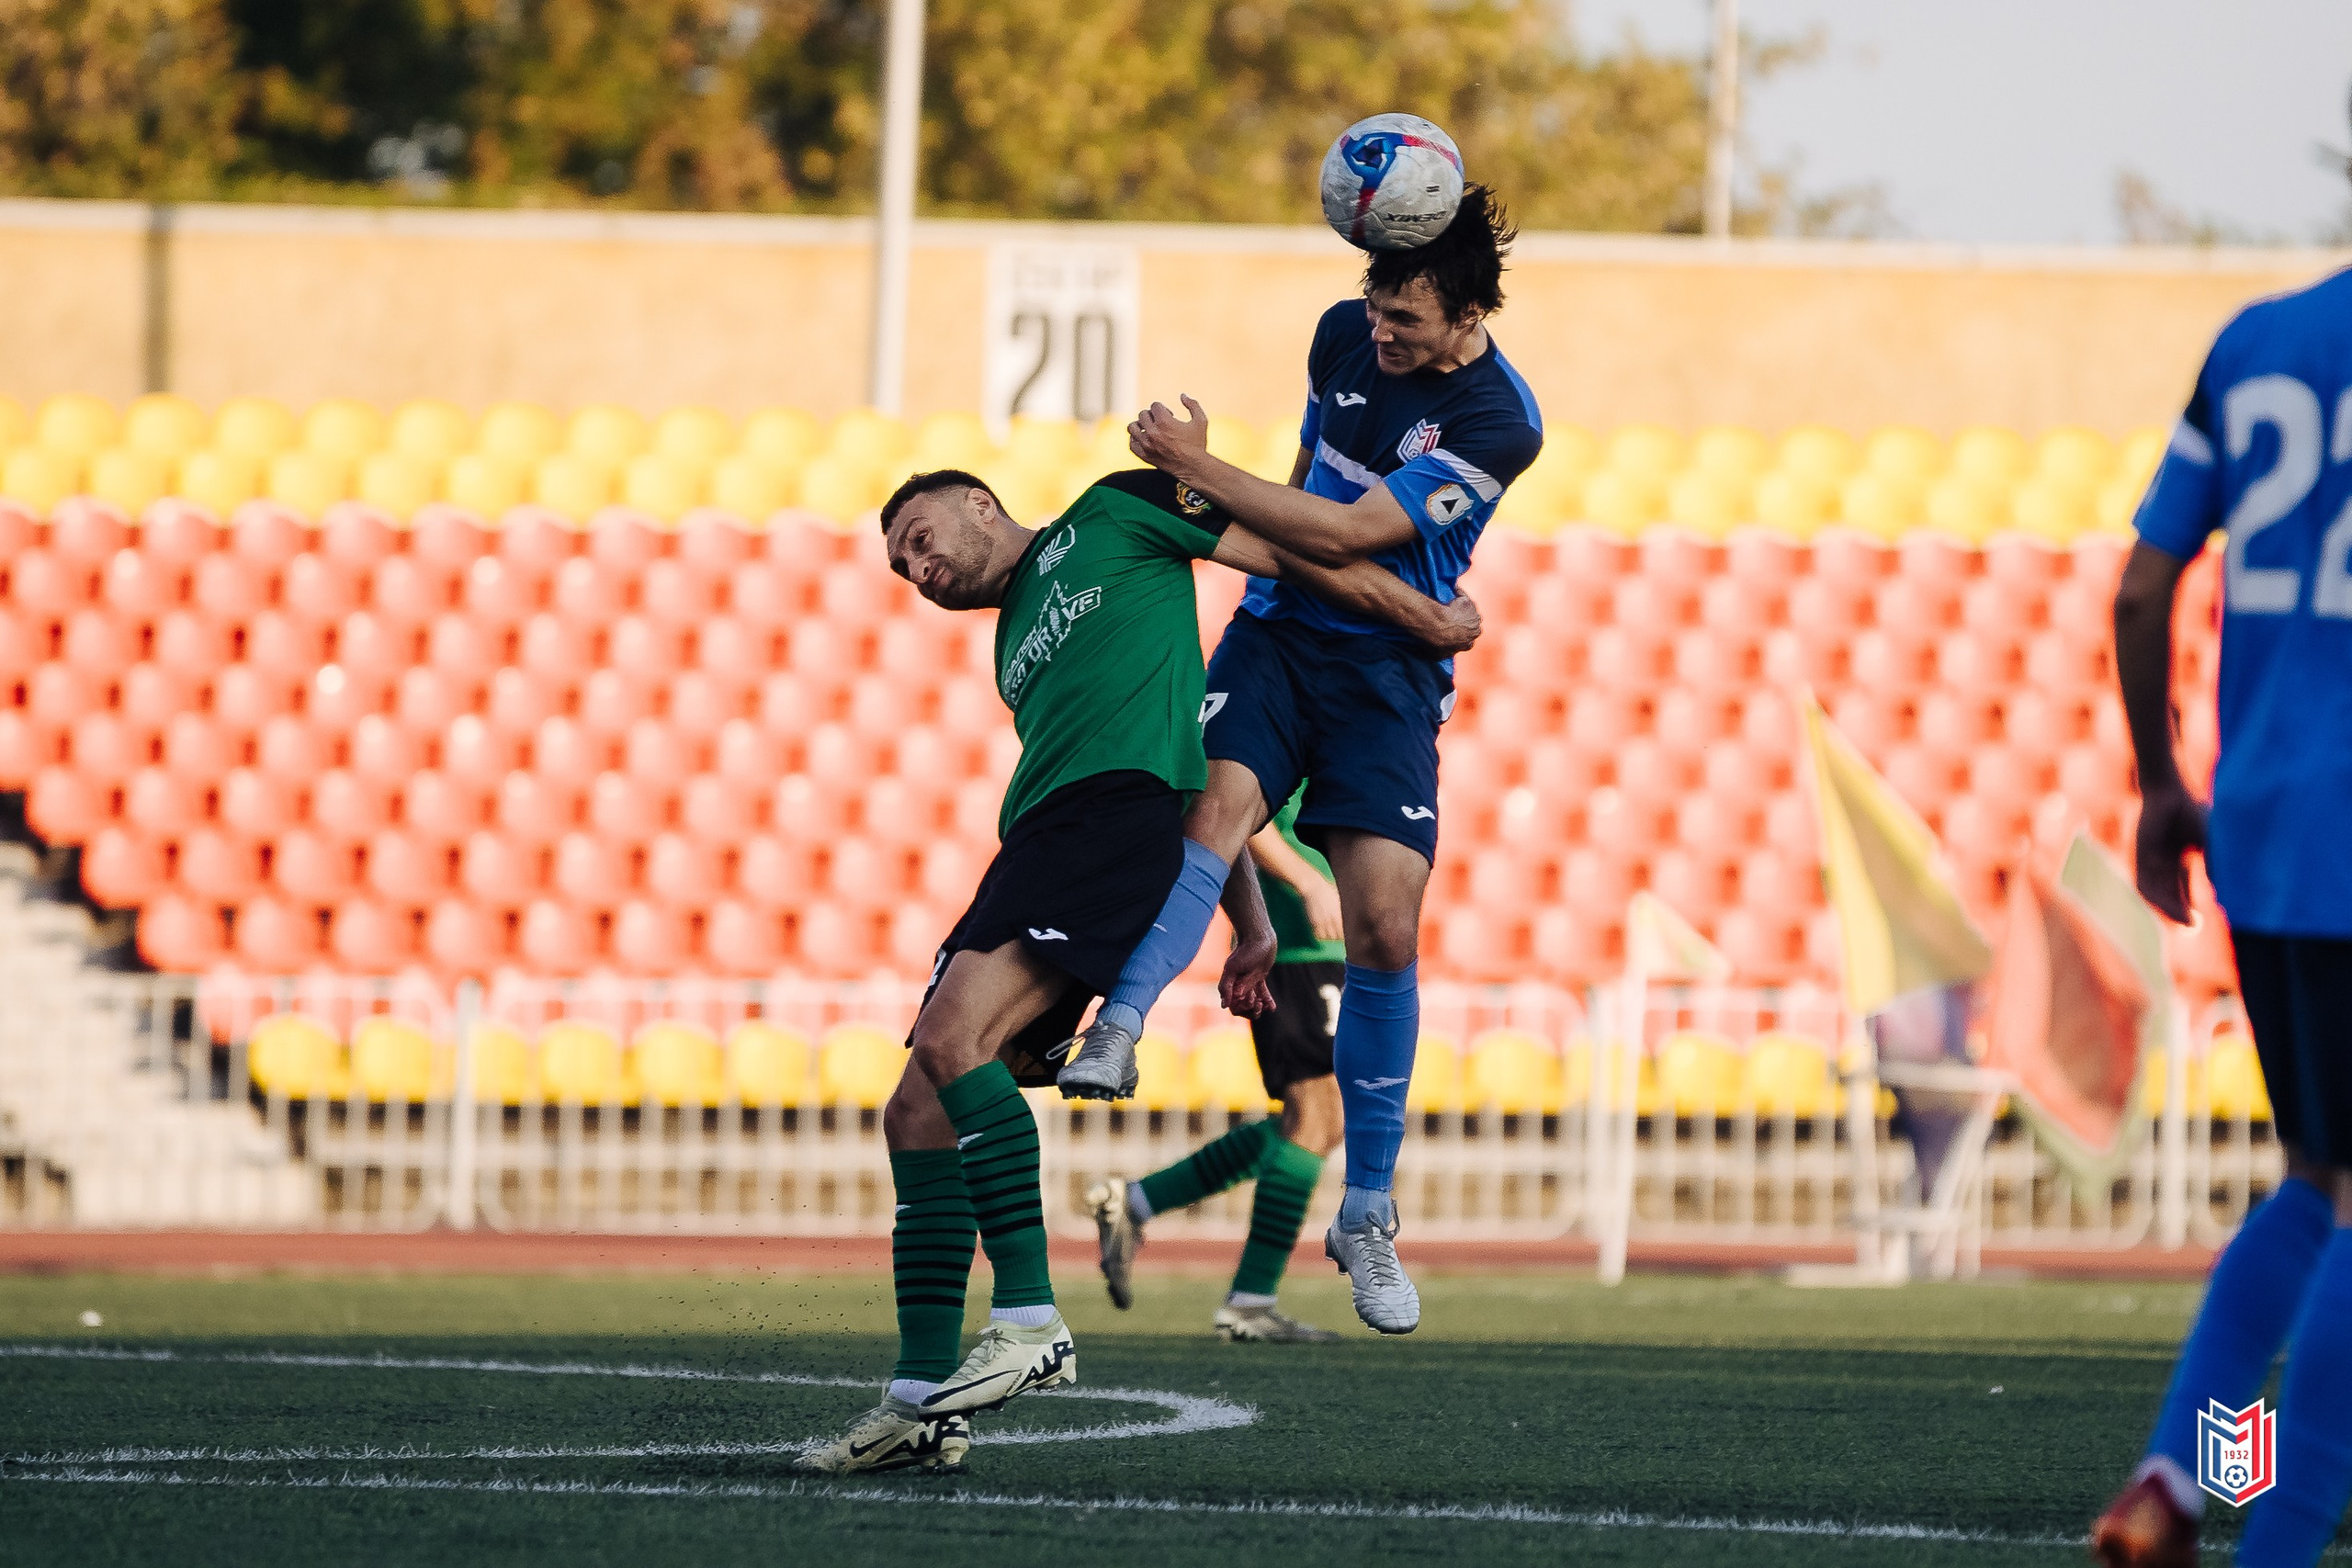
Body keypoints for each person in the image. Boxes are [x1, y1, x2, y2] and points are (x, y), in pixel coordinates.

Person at [797, 466, 1479, 1475]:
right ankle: (918, 1405)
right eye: (900, 566)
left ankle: (1030, 1318)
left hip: (1104, 830)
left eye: (919, 534)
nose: (915, 566)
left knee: (954, 1042)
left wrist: (1421, 616)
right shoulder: (1009, 649)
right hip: (1041, 843)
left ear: (980, 502)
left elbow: (1293, 559)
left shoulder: (1117, 509)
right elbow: (1202, 772)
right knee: (915, 1110)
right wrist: (1246, 920)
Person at [1051, 186, 1542, 1336]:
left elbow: (1341, 529)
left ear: (1469, 314)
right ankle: (1117, 1024)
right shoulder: (1340, 331)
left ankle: (1363, 1214)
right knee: (1208, 814)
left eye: (1408, 324)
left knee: (1384, 928)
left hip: (1383, 684)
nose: (1383, 335)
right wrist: (1249, 515)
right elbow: (1296, 520)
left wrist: (1191, 468)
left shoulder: (1499, 420)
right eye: (1378, 312)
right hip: (1277, 636)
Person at [2089, 257, 2352, 1567]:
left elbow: (2143, 586)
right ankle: (2282, 1539)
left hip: (2267, 822)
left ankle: (2186, 1480)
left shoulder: (2258, 339)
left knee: (2317, 1176)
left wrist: (2159, 783)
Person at [1085, 784, 1349, 1343]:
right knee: (1316, 1121)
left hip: (1325, 949)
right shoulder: (1290, 706)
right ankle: (1249, 1300)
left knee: (1313, 1124)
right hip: (1297, 946)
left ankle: (1138, 1201)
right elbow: (1243, 812)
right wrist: (1307, 883)